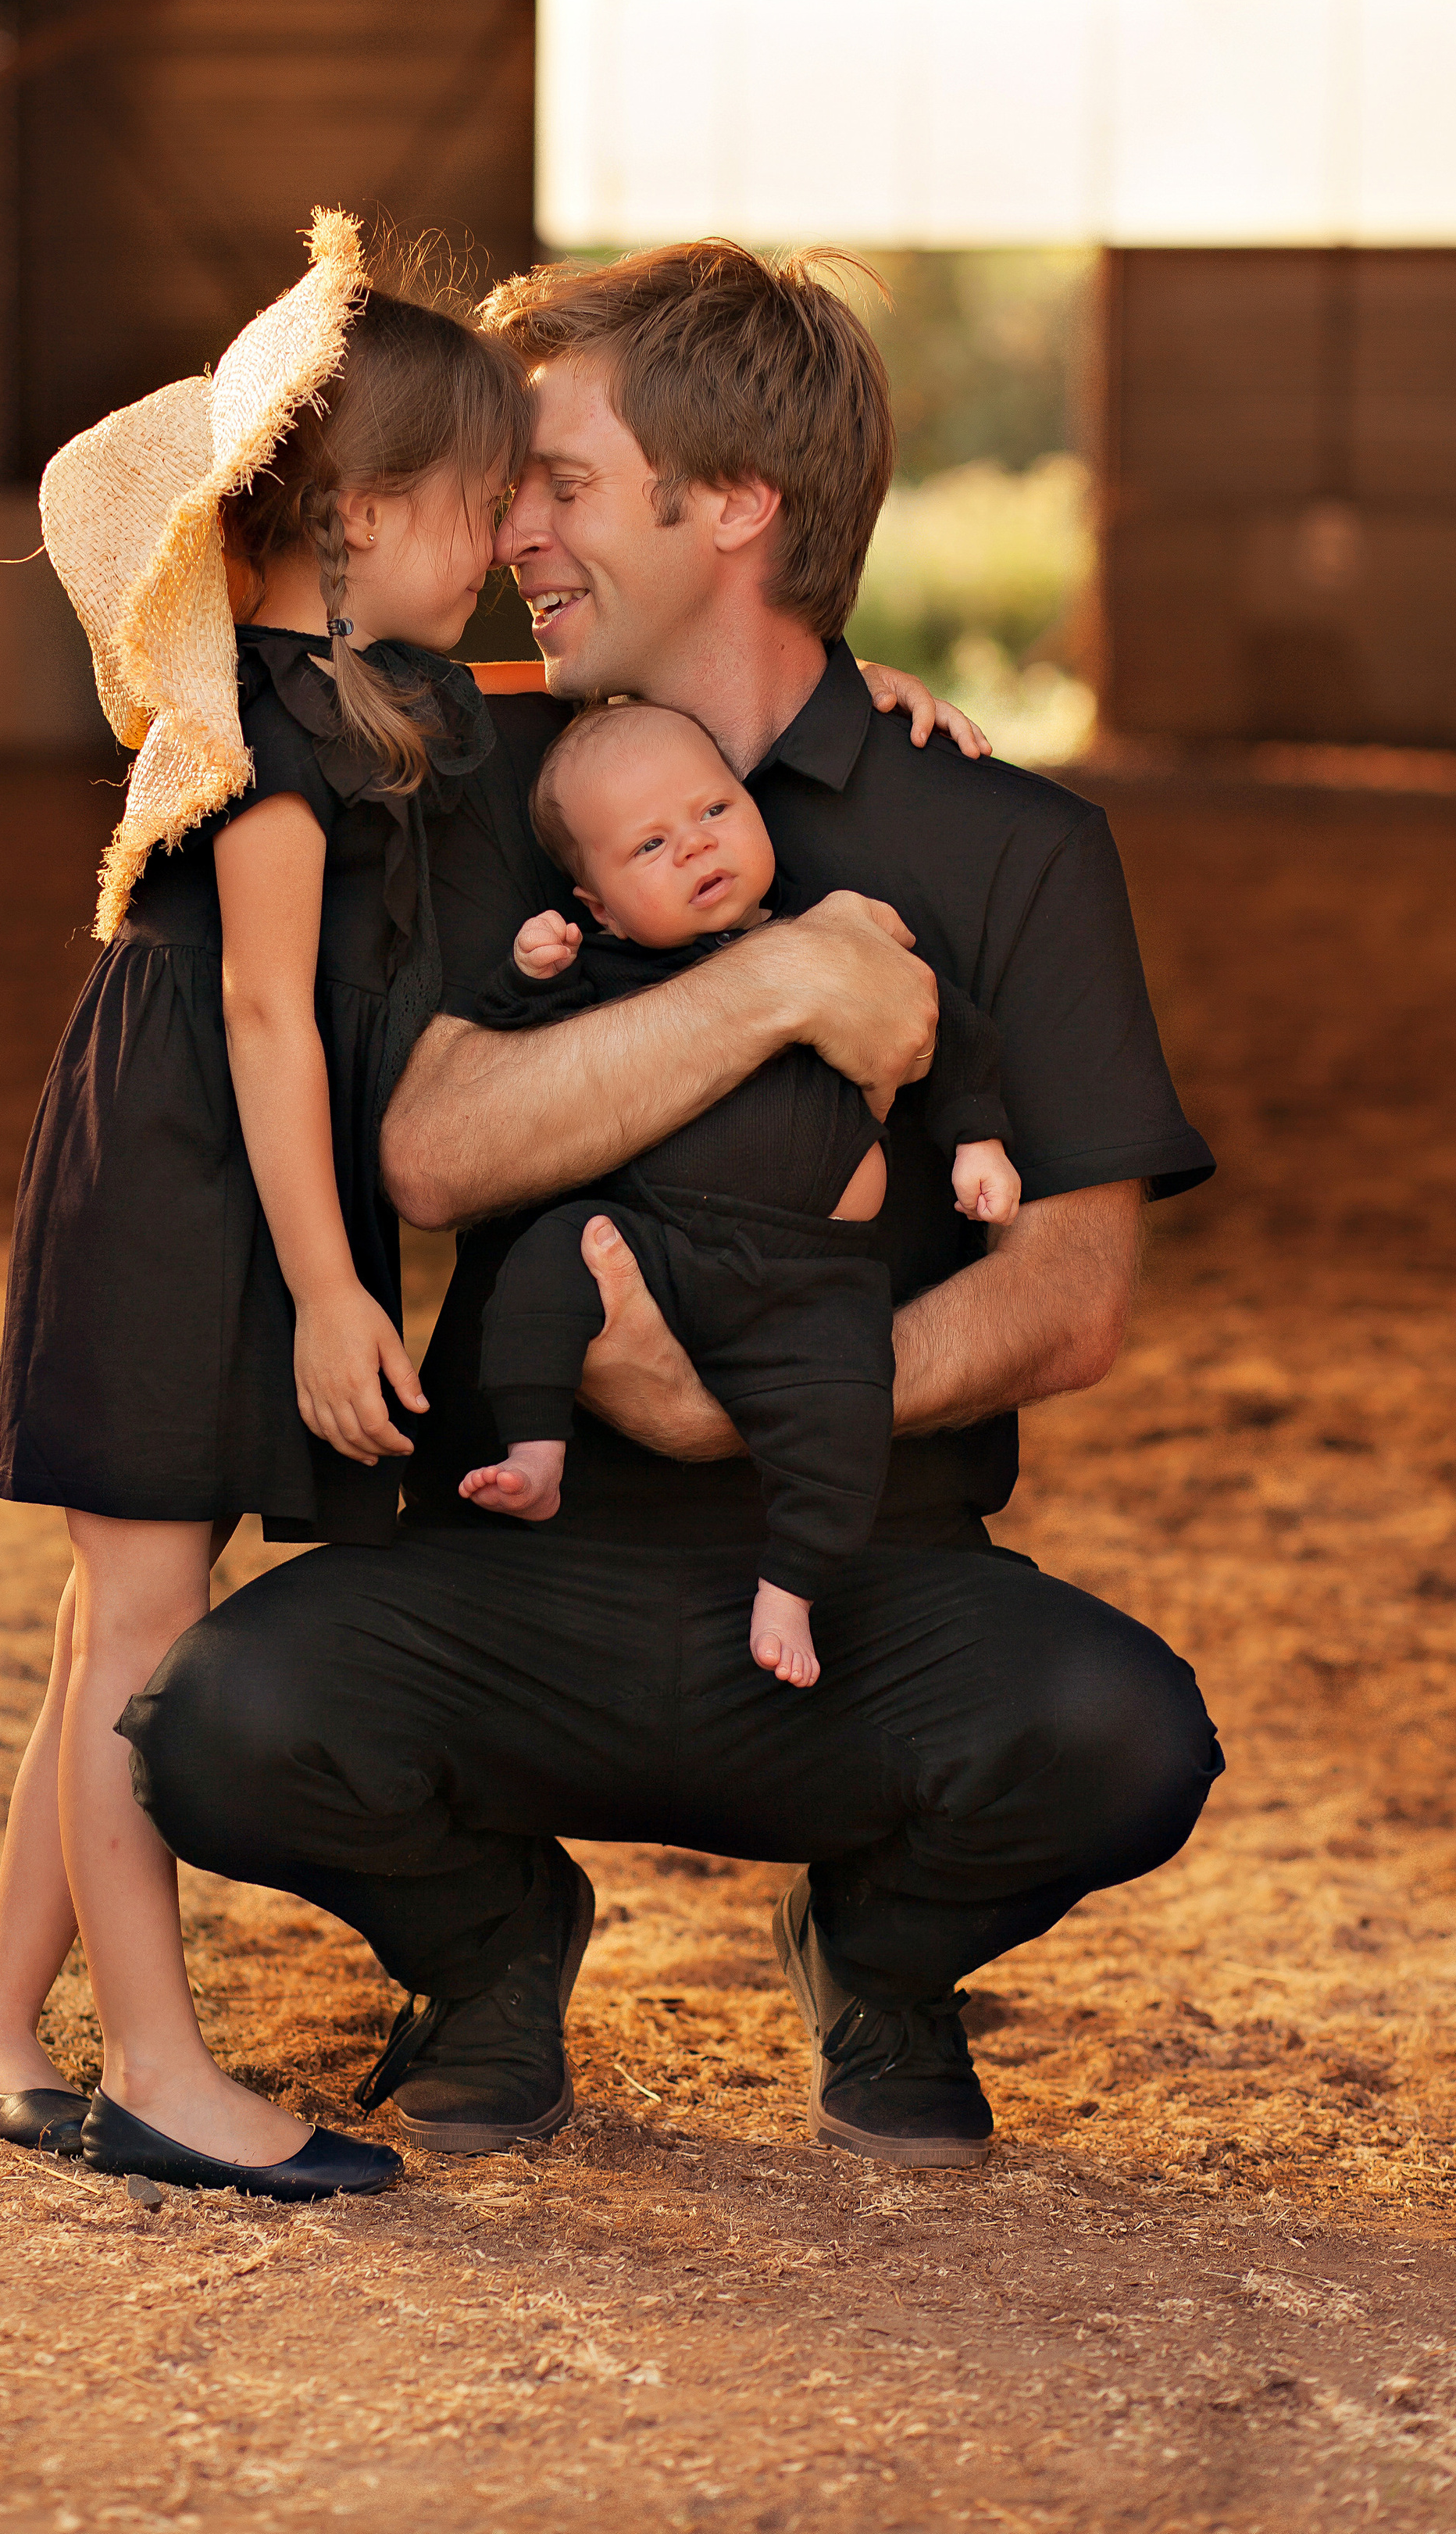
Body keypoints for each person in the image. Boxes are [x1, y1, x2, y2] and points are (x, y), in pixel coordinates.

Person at [121, 238, 1222, 2172]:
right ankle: (488, 1945)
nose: (509, 530)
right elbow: (430, 1153)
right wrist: (774, 980)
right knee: (216, 1718)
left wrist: (766, 1404)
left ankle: (875, 1956)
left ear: (731, 505)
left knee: (1122, 1734)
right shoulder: (476, 777)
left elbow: (1073, 1287)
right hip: (512, 1560)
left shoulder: (1003, 837)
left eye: (550, 480)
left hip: (865, 1576)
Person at [0, 213, 530, 2199]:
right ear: (357, 516)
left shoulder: (358, 698)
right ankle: (160, 2071)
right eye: (477, 511)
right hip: (190, 1191)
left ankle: (2, 2025)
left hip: (211, 1171)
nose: (498, 548)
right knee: (140, 1618)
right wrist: (320, 1290)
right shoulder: (273, 750)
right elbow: (273, 1018)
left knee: (109, 1609)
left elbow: (511, 732)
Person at [459, 695, 1018, 1695]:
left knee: (847, 1406)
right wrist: (526, 970)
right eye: (649, 846)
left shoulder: (836, 943)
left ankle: (790, 1587)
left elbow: (953, 1028)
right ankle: (536, 1452)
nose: (694, 848)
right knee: (545, 1264)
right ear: (597, 906)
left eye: (713, 811)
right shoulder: (612, 975)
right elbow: (512, 1051)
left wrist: (977, 1141)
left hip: (815, 1271)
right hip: (661, 1245)